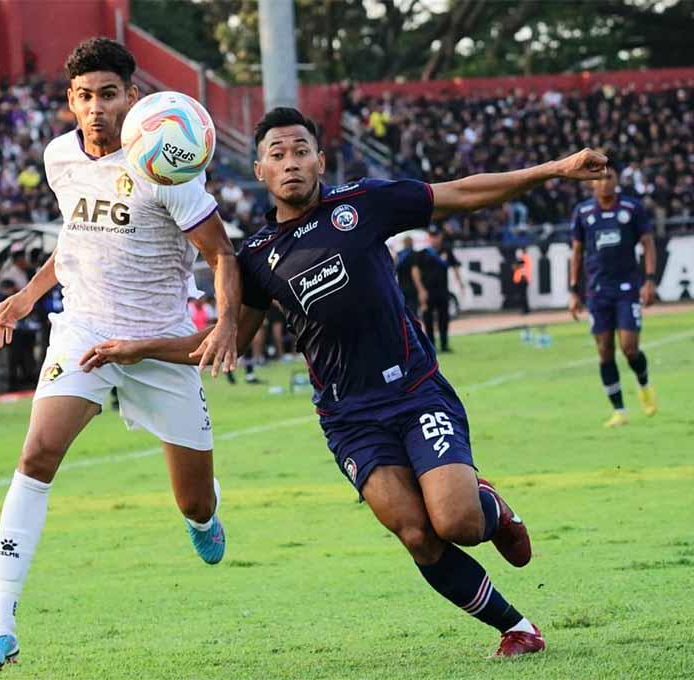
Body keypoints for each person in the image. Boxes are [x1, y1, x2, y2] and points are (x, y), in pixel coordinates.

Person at [81, 107, 611, 658]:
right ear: (259, 170)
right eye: (278, 155)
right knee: (415, 533)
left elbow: (461, 192)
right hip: (349, 417)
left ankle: (492, 510)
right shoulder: (257, 259)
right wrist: (140, 348)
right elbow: (227, 341)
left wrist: (554, 168)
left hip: (414, 389)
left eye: (301, 150)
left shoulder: (362, 204)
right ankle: (517, 628)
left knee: (456, 521)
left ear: (320, 160)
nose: (291, 163)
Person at [0, 37, 241, 674]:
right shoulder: (59, 156)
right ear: (70, 101)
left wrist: (226, 322)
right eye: (85, 96)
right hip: (84, 333)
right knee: (36, 455)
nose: (97, 108)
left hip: (160, 345)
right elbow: (74, 238)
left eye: (109, 95)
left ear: (133, 97)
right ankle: (1, 622)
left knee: (194, 503)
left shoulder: (167, 165)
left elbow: (221, 255)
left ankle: (206, 516)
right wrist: (31, 294)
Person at [568, 163, 658, 428]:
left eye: (610, 177)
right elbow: (576, 252)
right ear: (592, 183)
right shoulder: (583, 212)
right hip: (597, 291)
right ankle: (619, 410)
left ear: (617, 180)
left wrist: (650, 280)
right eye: (601, 178)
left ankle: (644, 384)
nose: (606, 182)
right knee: (605, 350)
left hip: (627, 289)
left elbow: (648, 243)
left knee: (629, 347)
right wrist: (574, 290)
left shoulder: (632, 208)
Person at [413, 226, 463, 353]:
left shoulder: (446, 251)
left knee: (444, 318)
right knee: (428, 319)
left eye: (436, 236)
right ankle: (431, 346)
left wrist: (460, 283)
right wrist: (420, 289)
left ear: (440, 237)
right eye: (431, 236)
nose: (434, 239)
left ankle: (444, 344)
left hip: (442, 290)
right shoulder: (423, 253)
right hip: (428, 290)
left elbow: (455, 266)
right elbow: (415, 271)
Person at [395, 235, 419, 311]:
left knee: (404, 311)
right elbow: (414, 272)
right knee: (413, 310)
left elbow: (394, 269)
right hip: (413, 287)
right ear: (412, 243)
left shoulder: (399, 254)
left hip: (401, 287)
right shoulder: (414, 254)